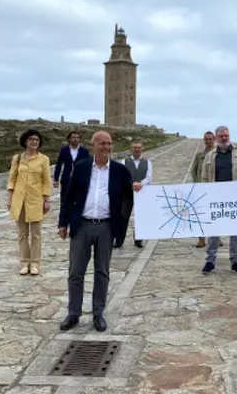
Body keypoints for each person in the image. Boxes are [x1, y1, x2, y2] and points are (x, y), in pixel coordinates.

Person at [57, 131, 134, 332]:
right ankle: (73, 313)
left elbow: (128, 197)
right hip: (81, 225)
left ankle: (98, 313)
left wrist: (121, 224)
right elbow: (69, 196)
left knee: (102, 272)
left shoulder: (119, 170)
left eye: (109, 143)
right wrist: (63, 223)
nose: (106, 147)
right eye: (102, 143)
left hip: (106, 226)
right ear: (93, 145)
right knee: (76, 272)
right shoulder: (81, 167)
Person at [200, 125, 237, 275]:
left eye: (226, 135)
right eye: (221, 136)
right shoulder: (210, 156)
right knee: (214, 229)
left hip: (236, 197)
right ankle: (210, 260)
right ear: (216, 138)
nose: (224, 138)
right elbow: (204, 177)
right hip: (216, 198)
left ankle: (235, 260)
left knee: (236, 230)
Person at [7, 129, 53, 275]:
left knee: (36, 234)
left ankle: (35, 263)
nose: (34, 142)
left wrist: (46, 199)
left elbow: (46, 180)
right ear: (25, 141)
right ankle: (24, 262)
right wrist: (10, 198)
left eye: (37, 140)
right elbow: (12, 179)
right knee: (22, 234)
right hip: (19, 200)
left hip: (35, 199)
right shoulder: (17, 158)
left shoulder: (43, 159)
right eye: (31, 139)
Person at [116, 140, 152, 248]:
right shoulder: (124, 161)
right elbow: (122, 177)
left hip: (141, 193)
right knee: (123, 216)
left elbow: (149, 177)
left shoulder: (148, 162)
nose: (137, 150)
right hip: (127, 193)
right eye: (135, 148)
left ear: (141, 149)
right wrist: (131, 184)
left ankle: (138, 240)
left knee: (140, 217)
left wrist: (140, 184)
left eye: (139, 148)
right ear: (131, 149)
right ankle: (119, 240)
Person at [189, 131, 221, 248]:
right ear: (204, 140)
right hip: (201, 188)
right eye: (206, 139)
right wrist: (197, 182)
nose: (208, 141)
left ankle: (217, 237)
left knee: (215, 214)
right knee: (200, 214)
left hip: (214, 189)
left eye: (210, 139)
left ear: (214, 139)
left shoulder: (219, 154)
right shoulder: (199, 155)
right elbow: (193, 170)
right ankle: (201, 238)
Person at [53, 131, 89, 200]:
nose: (76, 139)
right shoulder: (64, 150)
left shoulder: (84, 151)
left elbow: (87, 166)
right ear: (69, 139)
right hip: (66, 179)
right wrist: (56, 179)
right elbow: (59, 164)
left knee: (79, 199)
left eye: (78, 137)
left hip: (80, 179)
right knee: (65, 199)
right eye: (74, 137)